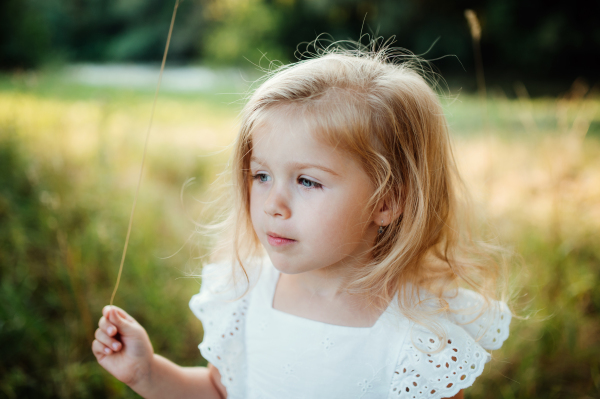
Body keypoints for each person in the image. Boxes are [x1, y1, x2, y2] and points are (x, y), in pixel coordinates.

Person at [92, 42, 512, 399]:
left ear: (386, 202)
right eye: (261, 175)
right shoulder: (246, 295)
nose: (273, 203)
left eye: (307, 181)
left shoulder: (421, 337)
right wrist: (146, 372)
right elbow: (222, 391)